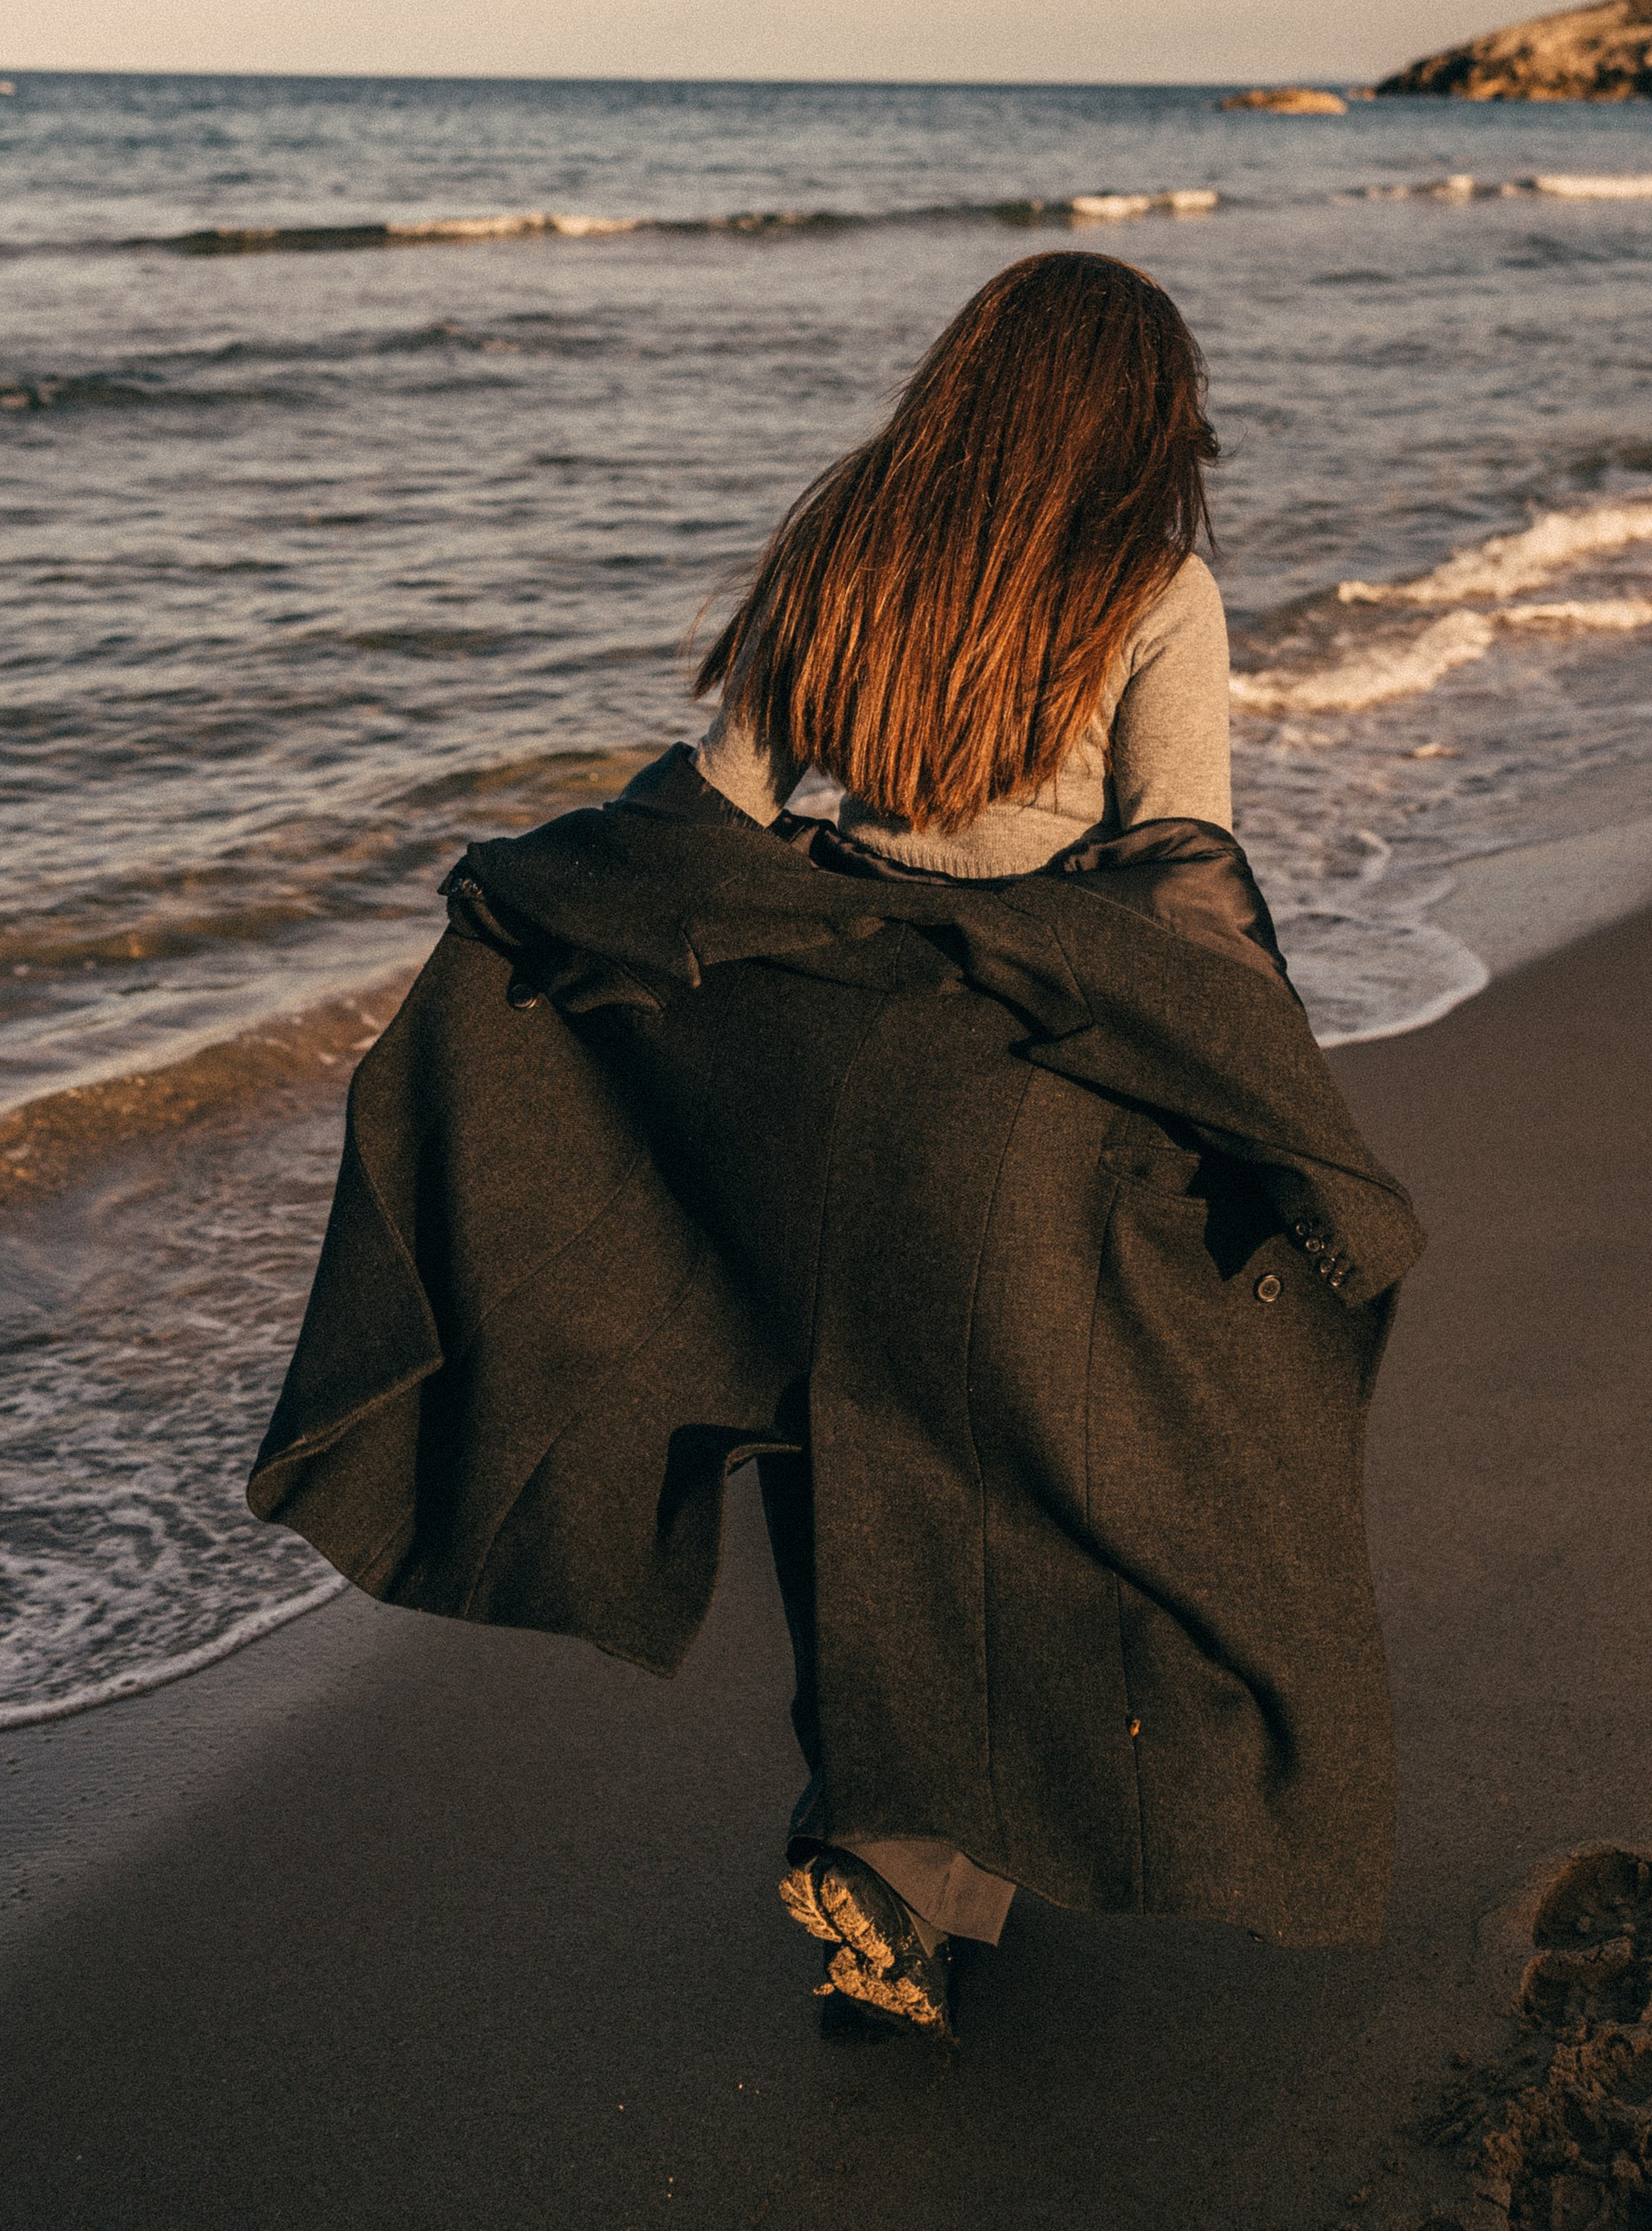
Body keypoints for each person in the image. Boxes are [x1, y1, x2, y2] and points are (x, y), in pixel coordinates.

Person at [250, 252, 1423, 2051]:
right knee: (1073, 1476)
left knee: (847, 1473)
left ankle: (893, 1874)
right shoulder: (1152, 582)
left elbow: (713, 813)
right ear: (1140, 414)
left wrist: (532, 903)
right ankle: (945, 1856)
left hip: (818, 1076)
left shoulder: (850, 553)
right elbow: (1179, 867)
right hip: (1024, 1096)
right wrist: (1269, 1108)